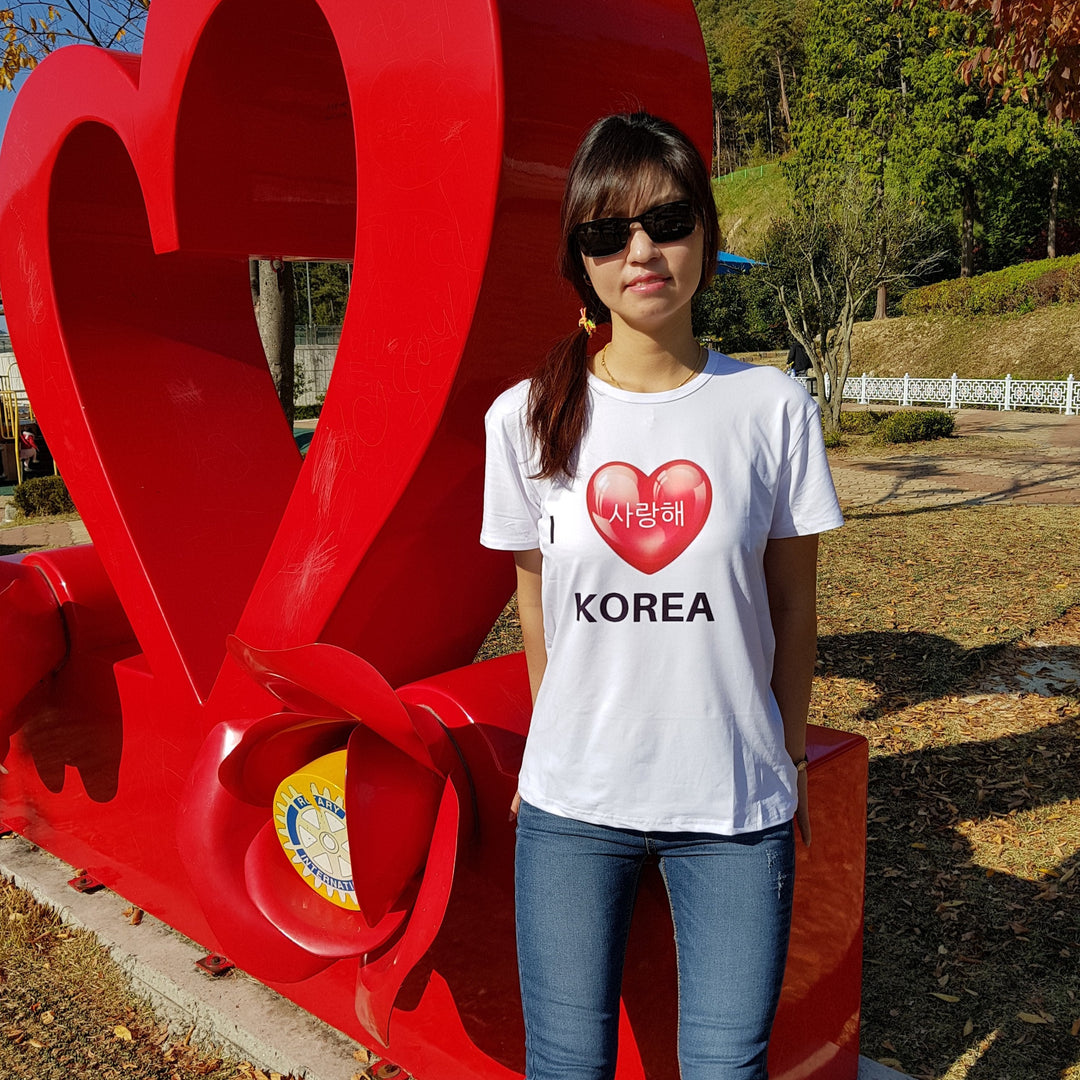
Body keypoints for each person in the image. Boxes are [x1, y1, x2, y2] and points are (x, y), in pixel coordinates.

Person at [480, 111, 843, 1080]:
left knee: (728, 1068)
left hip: (733, 805)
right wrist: (547, 745)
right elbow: (533, 605)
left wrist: (790, 749)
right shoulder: (523, 418)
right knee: (566, 1065)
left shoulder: (770, 407)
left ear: (707, 236)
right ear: (580, 258)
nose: (641, 251)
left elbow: (794, 606)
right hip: (573, 805)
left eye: (668, 221)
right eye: (608, 231)